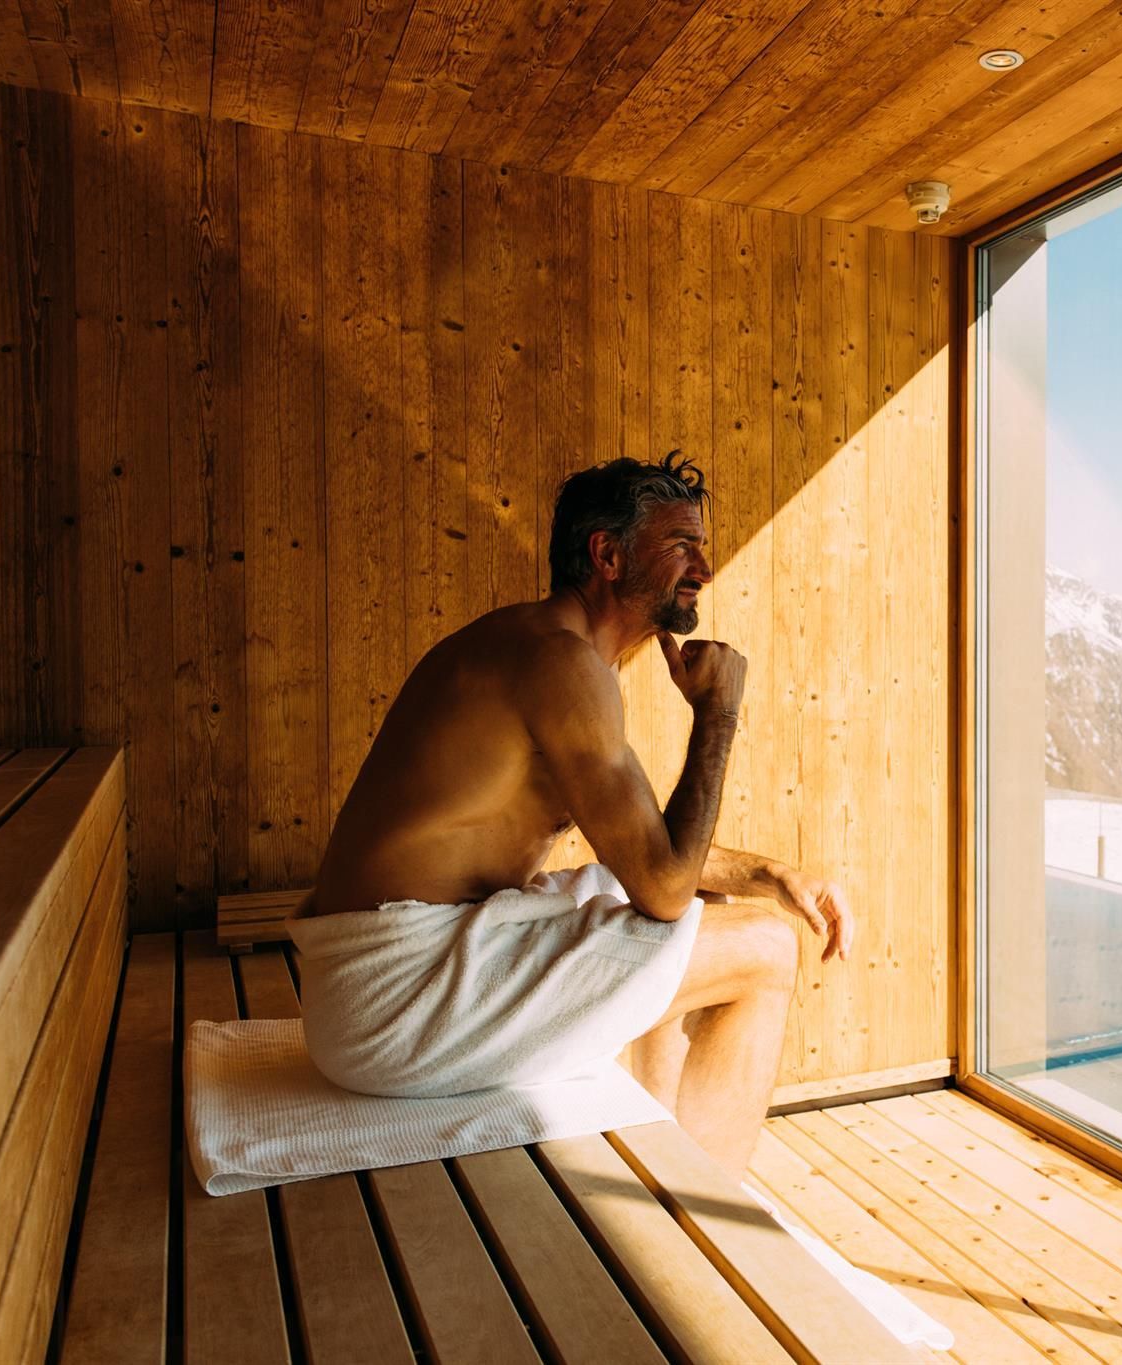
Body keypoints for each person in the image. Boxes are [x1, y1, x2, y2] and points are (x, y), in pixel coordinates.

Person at [295, 450, 854, 1179]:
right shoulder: (560, 666)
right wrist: (719, 715)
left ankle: (663, 1167)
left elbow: (647, 855)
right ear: (608, 555)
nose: (704, 569)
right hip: (391, 996)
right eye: (682, 545)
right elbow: (665, 883)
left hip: (377, 979)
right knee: (765, 949)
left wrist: (768, 872)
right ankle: (707, 1219)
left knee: (666, 906)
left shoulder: (543, 649)